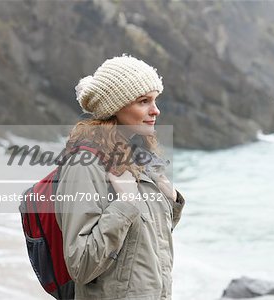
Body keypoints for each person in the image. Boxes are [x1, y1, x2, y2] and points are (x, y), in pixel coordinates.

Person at [55, 54, 185, 300]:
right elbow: (80, 265)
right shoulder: (84, 165)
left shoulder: (140, 159)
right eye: (143, 101)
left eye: (155, 100)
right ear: (115, 106)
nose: (155, 110)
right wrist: (125, 205)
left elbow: (142, 244)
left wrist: (172, 202)